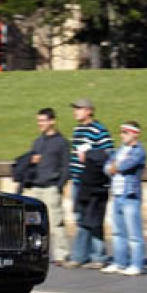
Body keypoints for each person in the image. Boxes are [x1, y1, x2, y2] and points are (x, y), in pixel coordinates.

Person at [68, 99, 114, 267]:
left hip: (93, 183)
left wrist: (88, 155)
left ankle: (97, 256)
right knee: (81, 218)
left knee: (94, 220)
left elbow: (108, 153)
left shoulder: (98, 130)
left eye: (78, 108)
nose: (75, 111)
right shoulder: (77, 129)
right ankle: (82, 256)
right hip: (78, 181)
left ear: (88, 111)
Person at [25, 108, 70, 265]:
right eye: (39, 121)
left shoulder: (61, 142)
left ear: (52, 121)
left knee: (56, 222)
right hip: (36, 187)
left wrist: (59, 185)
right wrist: (32, 161)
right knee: (32, 223)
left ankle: (61, 254)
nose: (40, 124)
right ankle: (34, 252)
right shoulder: (38, 141)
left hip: (51, 187)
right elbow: (30, 163)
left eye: (43, 121)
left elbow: (66, 166)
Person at [102, 121, 147, 276]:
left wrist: (115, 166)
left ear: (135, 134)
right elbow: (106, 167)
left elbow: (125, 166)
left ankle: (136, 264)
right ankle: (119, 263)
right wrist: (113, 166)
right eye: (121, 132)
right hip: (117, 194)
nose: (122, 135)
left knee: (134, 234)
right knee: (118, 232)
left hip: (130, 196)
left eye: (126, 132)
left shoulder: (139, 151)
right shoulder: (120, 149)